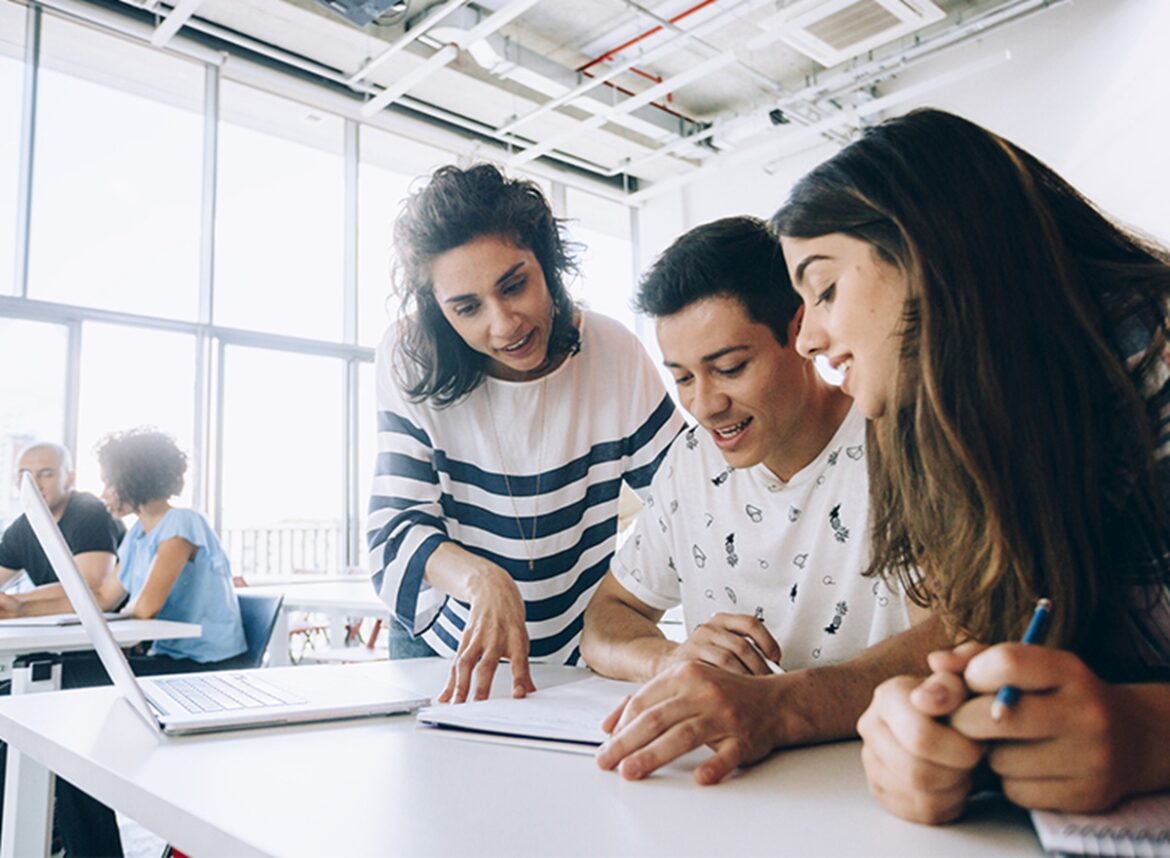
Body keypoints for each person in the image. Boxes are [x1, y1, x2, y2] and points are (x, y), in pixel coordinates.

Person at [774, 108, 1170, 824]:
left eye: (825, 289)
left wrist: (1149, 734)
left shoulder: (1158, 353)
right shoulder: (961, 427)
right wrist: (936, 729)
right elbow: (985, 637)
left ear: (930, 251)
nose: (808, 339)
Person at [583, 216, 946, 785]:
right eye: (681, 378)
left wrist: (781, 703)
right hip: (729, 789)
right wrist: (671, 659)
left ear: (800, 331)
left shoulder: (898, 439)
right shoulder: (687, 464)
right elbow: (606, 618)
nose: (705, 405)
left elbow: (955, 632)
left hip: (874, 782)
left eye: (730, 368)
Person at [368, 163, 683, 704]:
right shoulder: (410, 358)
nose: (504, 324)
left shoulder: (613, 353)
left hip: (575, 646)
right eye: (467, 308)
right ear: (440, 312)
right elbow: (395, 532)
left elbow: (690, 501)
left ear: (548, 264)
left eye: (514, 285)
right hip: (444, 647)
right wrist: (480, 579)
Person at [0, 430, 244, 856]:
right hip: (167, 663)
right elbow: (105, 598)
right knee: (29, 698)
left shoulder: (182, 524)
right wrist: (18, 608)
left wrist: (39, 607)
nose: (105, 492)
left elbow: (144, 607)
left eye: (111, 481)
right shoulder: (137, 537)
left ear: (135, 479)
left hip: (203, 673)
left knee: (51, 689)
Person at [0, 441, 123, 595]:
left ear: (70, 479)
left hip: (113, 617)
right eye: (25, 475)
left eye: (46, 474)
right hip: (58, 617)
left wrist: (16, 602)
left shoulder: (90, 512)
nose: (35, 484)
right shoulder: (20, 530)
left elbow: (91, 585)